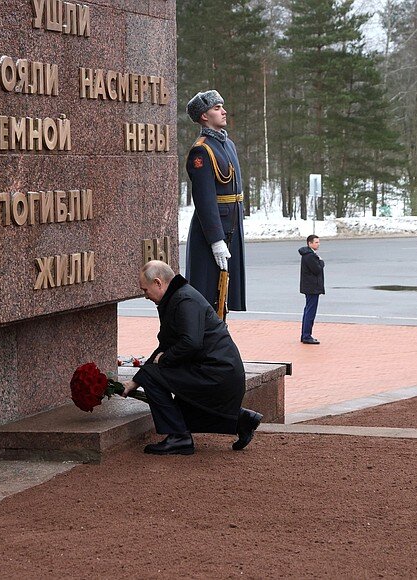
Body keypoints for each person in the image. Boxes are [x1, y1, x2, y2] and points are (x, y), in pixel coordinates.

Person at [121, 261, 262, 455]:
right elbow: (166, 345)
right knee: (158, 383)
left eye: (145, 290)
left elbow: (190, 343)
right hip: (215, 370)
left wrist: (163, 360)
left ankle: (179, 437)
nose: (145, 296)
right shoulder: (177, 298)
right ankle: (241, 420)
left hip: (218, 374)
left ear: (158, 283)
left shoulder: (184, 300)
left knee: (154, 378)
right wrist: (136, 381)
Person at [184, 90, 246, 313]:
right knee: (209, 295)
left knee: (225, 296)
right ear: (204, 115)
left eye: (222, 107)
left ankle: (220, 332)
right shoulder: (202, 150)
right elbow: (205, 199)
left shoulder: (228, 145)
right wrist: (216, 239)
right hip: (213, 232)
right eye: (217, 108)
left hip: (231, 227)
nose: (223, 111)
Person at [299, 235, 325, 344]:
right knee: (310, 312)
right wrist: (321, 262)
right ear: (310, 243)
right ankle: (306, 335)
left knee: (308, 310)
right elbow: (317, 269)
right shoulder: (310, 256)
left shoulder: (309, 254)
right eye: (316, 242)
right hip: (312, 287)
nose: (318, 244)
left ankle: (305, 334)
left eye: (318, 242)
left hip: (309, 287)